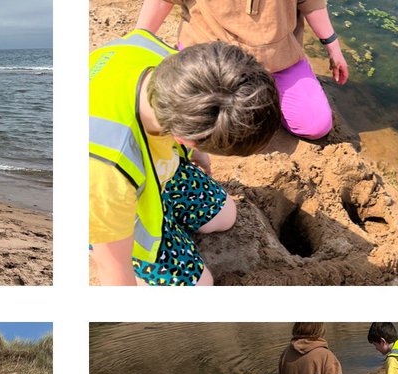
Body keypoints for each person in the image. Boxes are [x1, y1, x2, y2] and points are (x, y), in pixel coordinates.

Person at [88, 36, 277, 287]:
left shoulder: (176, 65)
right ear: (184, 137)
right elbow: (113, 270)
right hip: (105, 199)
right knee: (200, 285)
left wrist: (197, 153)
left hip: (158, 166)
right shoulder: (105, 171)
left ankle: (166, 203)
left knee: (225, 216)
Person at [135, 0, 350, 141]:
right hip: (212, 53)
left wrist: (332, 46)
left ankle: (269, 89)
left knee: (316, 125)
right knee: (208, 126)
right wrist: (137, 42)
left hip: (278, 54)